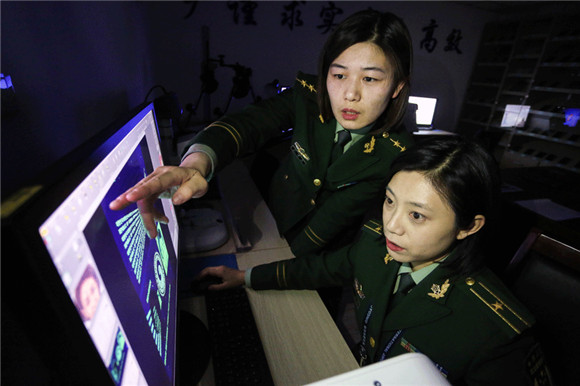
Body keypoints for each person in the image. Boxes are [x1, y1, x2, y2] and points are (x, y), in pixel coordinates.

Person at [195, 136, 552, 385]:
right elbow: (325, 268)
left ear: (467, 226)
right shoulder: (375, 244)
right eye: (390, 201)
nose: (391, 226)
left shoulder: (497, 333)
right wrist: (247, 277)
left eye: (417, 216)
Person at [109, 9, 414, 257]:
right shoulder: (308, 95)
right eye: (339, 75)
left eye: (371, 79)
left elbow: (329, 224)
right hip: (269, 218)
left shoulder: (396, 154)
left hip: (319, 258)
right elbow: (249, 124)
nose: (350, 94)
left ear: (397, 86)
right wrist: (195, 165)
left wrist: (266, 267)